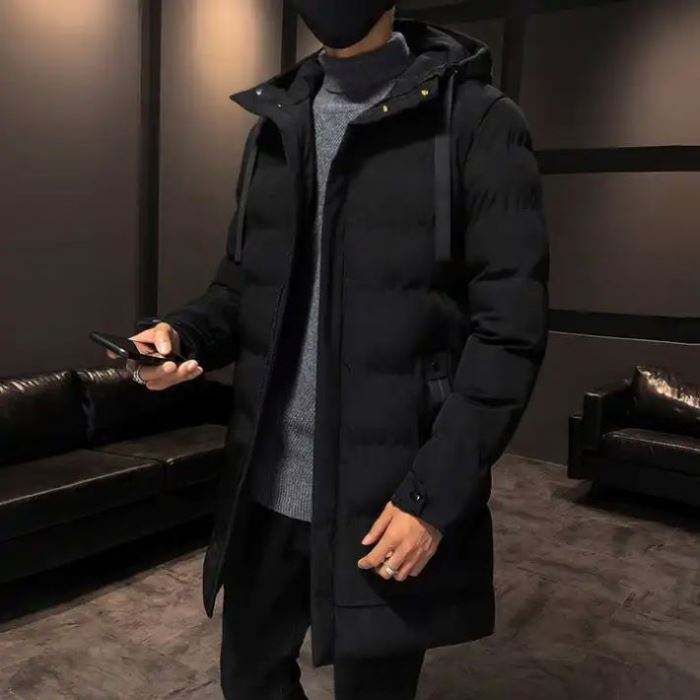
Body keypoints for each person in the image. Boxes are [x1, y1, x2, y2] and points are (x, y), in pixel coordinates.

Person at [121, 3, 549, 698]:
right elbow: (241, 290)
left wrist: (432, 498)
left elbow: (509, 335)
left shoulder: (477, 121)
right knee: (249, 679)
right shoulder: (276, 126)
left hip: (386, 501)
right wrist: (179, 335)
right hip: (268, 488)